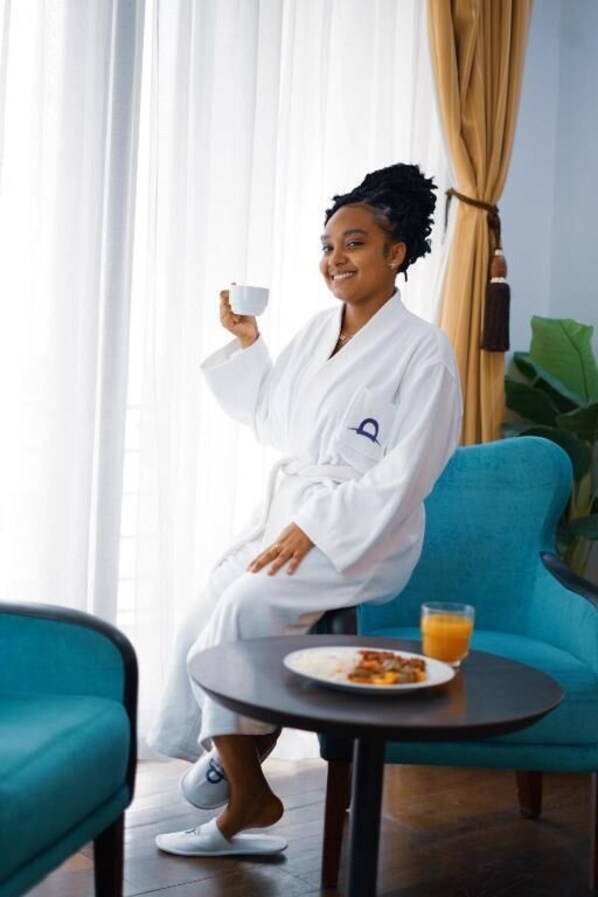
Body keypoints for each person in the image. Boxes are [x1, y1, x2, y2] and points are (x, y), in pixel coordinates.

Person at [152, 163, 463, 857]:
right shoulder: (320, 329)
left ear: (396, 253)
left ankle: (244, 800)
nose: (335, 259)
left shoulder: (425, 352)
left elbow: (409, 473)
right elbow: (272, 419)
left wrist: (318, 524)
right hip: (292, 511)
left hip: (366, 532)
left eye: (354, 243)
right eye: (327, 246)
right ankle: (231, 753)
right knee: (203, 612)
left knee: (245, 605)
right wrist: (248, 342)